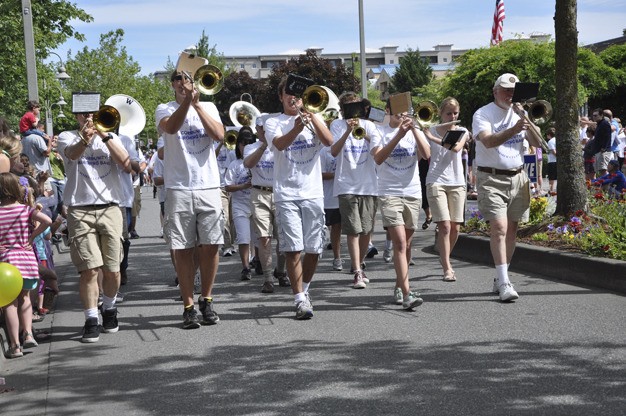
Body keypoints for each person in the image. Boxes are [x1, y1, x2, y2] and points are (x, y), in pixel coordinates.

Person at [57, 93, 132, 342]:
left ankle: (109, 307)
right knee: (89, 269)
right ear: (77, 117)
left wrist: (104, 135)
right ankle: (91, 318)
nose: (89, 118)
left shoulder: (112, 136)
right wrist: (85, 139)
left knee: (112, 269)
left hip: (110, 207)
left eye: (92, 113)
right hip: (80, 209)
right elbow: (72, 153)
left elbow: (125, 164)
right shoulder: (68, 136)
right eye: (84, 114)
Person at [156, 70, 225, 329]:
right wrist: (186, 103)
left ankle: (206, 299)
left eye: (188, 79)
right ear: (173, 84)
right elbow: (171, 128)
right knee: (182, 248)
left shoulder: (208, 106)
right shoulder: (164, 108)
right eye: (179, 79)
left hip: (208, 185)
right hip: (178, 187)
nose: (184, 83)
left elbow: (218, 135)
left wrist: (197, 105)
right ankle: (188, 306)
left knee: (211, 245)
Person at [471, 73, 546, 302]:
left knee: (512, 230)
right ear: (495, 91)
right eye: (505, 90)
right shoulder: (483, 113)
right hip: (491, 177)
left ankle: (500, 275)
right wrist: (514, 129)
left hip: (518, 177)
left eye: (513, 91)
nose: (510, 95)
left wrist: (527, 120)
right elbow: (488, 141)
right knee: (500, 227)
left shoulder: (520, 112)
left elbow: (536, 143)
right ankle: (504, 282)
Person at [264, 76, 334, 319]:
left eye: (298, 95)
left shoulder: (314, 117)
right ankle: (299, 300)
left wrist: (311, 114)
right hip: (287, 193)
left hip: (313, 193)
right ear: (281, 97)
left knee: (314, 248)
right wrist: (296, 127)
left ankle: (304, 291)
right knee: (293, 249)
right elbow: (279, 145)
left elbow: (328, 141)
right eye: (289, 94)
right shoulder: (274, 121)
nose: (293, 98)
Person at [370, 100, 430, 310]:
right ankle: (407, 294)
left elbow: (427, 154)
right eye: (398, 113)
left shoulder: (414, 130)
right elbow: (378, 158)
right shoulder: (379, 132)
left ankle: (399, 285)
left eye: (406, 113)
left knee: (407, 245)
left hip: (412, 192)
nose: (402, 117)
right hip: (389, 193)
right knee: (400, 243)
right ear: (388, 111)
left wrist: (414, 131)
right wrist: (399, 135)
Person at [329, 92, 381, 288]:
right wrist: (347, 132)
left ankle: (359, 263)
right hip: (346, 184)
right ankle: (357, 270)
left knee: (366, 229)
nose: (353, 110)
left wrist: (361, 130)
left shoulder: (370, 126)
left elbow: (377, 152)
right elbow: (333, 151)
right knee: (353, 229)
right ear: (343, 109)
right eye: (349, 107)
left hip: (368, 184)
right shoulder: (336, 125)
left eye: (356, 106)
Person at [0, 172, 52, 358]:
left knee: (9, 304)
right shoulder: (25, 210)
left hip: (6, 264)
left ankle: (15, 346)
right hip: (26, 260)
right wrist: (30, 237)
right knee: (25, 298)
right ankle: (28, 333)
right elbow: (47, 221)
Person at [422, 97, 469, 282]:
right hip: (435, 180)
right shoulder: (430, 129)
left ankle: (444, 254)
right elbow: (423, 153)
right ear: (441, 114)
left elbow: (456, 149)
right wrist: (422, 134)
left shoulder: (462, 130)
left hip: (457, 181)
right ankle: (447, 267)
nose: (452, 116)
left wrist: (432, 138)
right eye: (449, 113)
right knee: (445, 225)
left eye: (455, 113)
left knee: (456, 227)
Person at [243, 114, 289, 294]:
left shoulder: (280, 144)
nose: (264, 131)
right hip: (259, 193)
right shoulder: (250, 147)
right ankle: (268, 277)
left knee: (284, 238)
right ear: (257, 130)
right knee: (264, 238)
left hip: (280, 193)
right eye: (262, 128)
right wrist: (263, 146)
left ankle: (282, 271)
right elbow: (248, 163)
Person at [224, 127, 255, 281]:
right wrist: (244, 186)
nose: (245, 147)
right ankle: (245, 267)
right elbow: (228, 186)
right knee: (243, 238)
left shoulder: (258, 160)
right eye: (243, 144)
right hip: (240, 205)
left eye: (249, 144)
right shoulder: (235, 165)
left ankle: (257, 260)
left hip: (256, 204)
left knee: (259, 237)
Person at [320, 146, 343, 271]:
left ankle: (338, 258)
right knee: (328, 228)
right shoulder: (324, 151)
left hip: (341, 195)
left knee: (338, 228)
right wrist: (338, 173)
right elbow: (321, 174)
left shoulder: (345, 147)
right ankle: (317, 253)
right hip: (327, 197)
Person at [588, 108, 614, 178]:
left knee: (603, 170)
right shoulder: (599, 124)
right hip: (598, 151)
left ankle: (605, 188)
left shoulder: (604, 124)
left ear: (601, 115)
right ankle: (602, 187)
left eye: (596, 115)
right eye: (593, 115)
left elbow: (607, 137)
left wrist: (603, 148)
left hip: (603, 152)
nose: (594, 117)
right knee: (600, 171)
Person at [546, 127, 557, 193]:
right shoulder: (556, 140)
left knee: (551, 177)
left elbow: (553, 151)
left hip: (552, 161)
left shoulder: (550, 141)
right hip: (556, 161)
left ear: (549, 134)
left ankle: (551, 190)